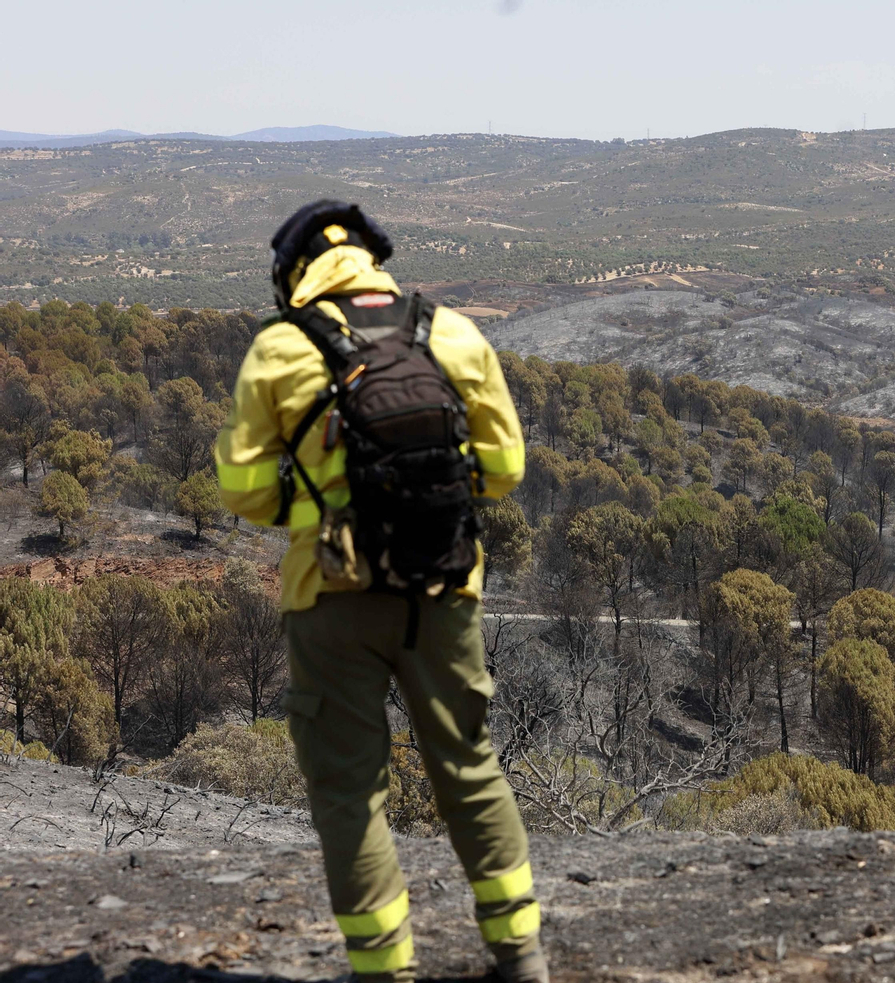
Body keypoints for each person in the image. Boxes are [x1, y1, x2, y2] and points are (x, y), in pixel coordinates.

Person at [214, 200, 544, 983]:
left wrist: (330, 507)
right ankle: (520, 955)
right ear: (371, 259)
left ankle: (385, 969)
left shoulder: (280, 349)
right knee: (468, 764)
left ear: (294, 273)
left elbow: (245, 491)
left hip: (331, 595)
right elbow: (503, 471)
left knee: (350, 791)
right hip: (444, 585)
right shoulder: (453, 332)